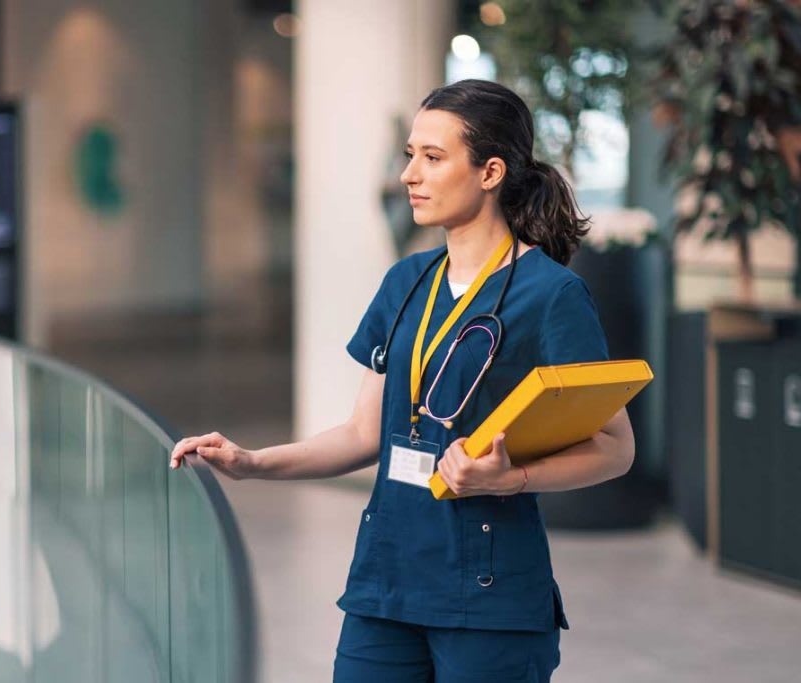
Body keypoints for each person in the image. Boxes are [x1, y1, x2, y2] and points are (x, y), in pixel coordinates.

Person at [169, 79, 635, 682]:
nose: (409, 174)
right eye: (410, 154)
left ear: (490, 171)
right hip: (386, 583)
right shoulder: (406, 282)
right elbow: (366, 433)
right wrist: (252, 462)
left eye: (433, 158)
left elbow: (616, 449)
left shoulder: (552, 295)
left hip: (488, 596)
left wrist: (512, 478)